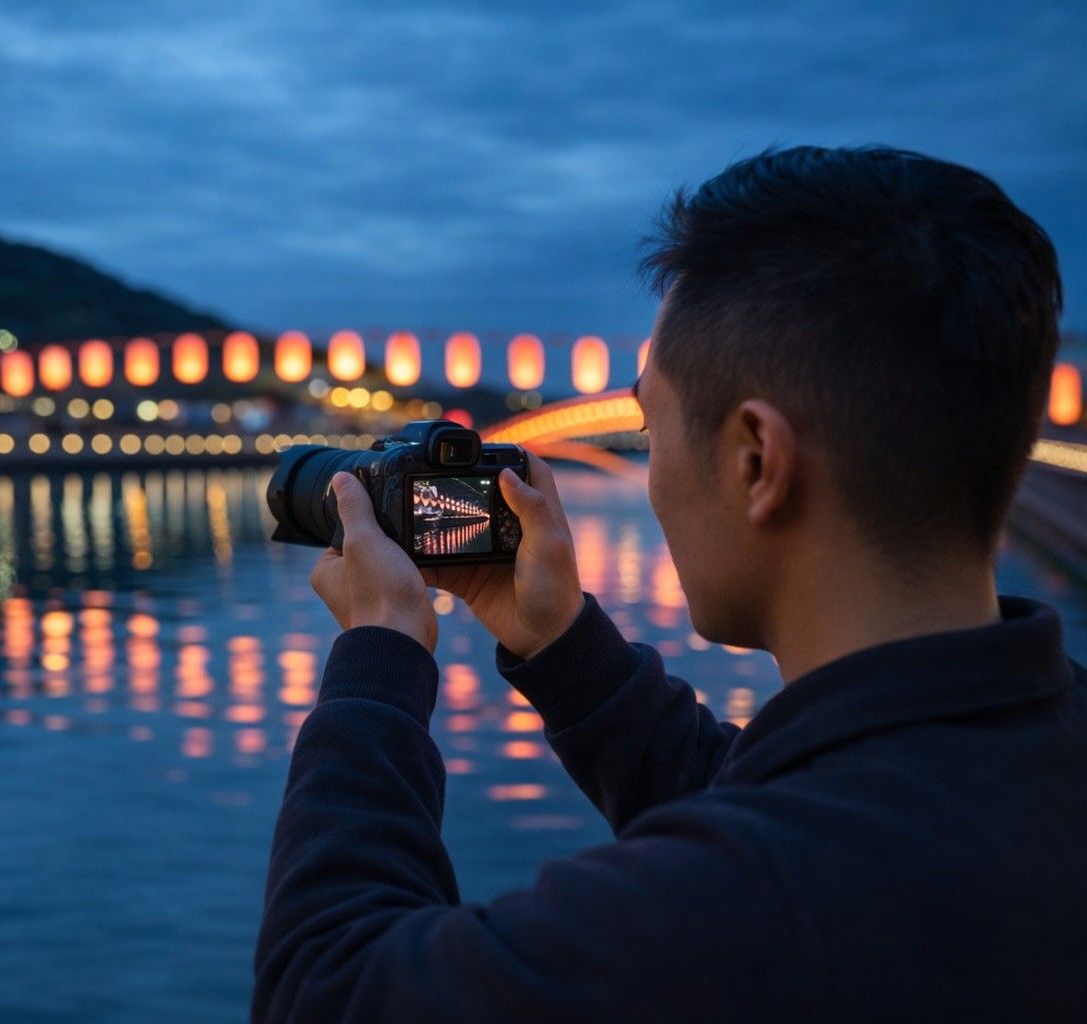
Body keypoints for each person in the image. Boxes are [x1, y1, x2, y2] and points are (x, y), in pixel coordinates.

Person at [252, 146, 1086, 1022]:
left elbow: (330, 990)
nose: (650, 474)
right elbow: (797, 801)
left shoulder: (740, 910)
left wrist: (378, 662)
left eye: (652, 426)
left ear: (757, 460)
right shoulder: (1025, 758)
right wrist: (563, 644)